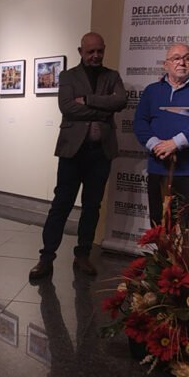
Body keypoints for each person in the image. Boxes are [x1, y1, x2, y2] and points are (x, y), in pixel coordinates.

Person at [29, 32, 127, 280]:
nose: (95, 55)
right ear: (80, 51)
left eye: (99, 51)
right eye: (90, 51)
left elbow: (120, 101)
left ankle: (82, 254)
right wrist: (102, 110)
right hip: (72, 152)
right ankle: (46, 257)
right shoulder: (67, 76)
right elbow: (67, 107)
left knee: (92, 206)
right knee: (61, 204)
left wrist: (88, 100)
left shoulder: (112, 76)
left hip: (101, 152)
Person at [133, 43, 189, 227]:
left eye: (187, 58)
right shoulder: (152, 90)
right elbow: (140, 122)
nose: (182, 63)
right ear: (166, 65)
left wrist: (175, 143)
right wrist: (156, 145)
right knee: (159, 225)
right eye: (176, 58)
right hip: (158, 167)